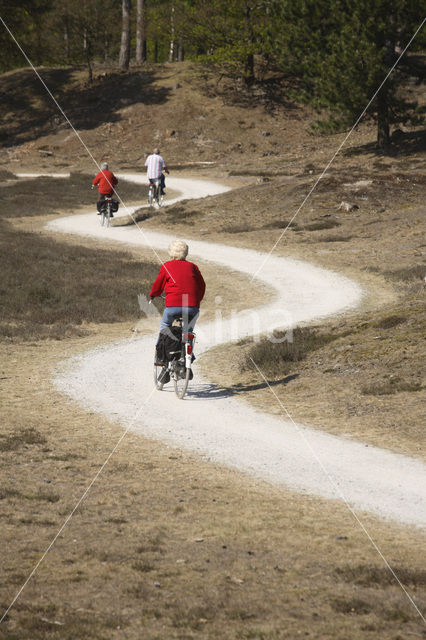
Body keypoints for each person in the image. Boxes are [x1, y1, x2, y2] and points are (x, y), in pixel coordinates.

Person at [150, 240, 205, 382]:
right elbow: (201, 285)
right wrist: (197, 299)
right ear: (185, 253)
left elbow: (158, 285)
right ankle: (186, 360)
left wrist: (153, 294)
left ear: (171, 253)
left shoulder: (167, 266)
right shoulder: (193, 267)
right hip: (192, 306)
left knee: (164, 328)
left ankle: (162, 359)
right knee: (188, 332)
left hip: (173, 306)